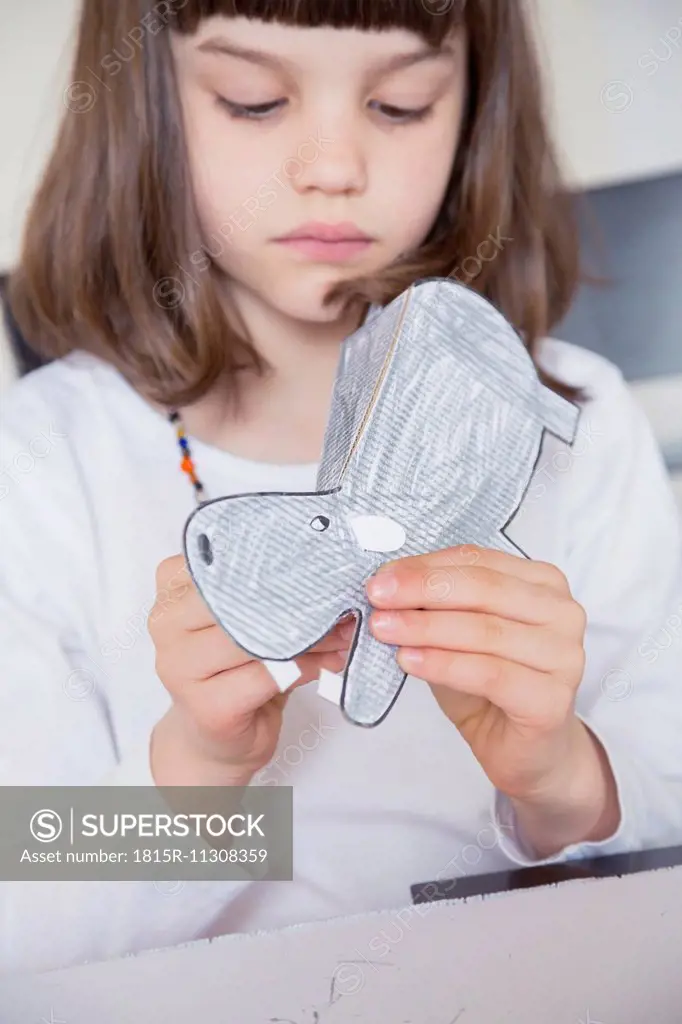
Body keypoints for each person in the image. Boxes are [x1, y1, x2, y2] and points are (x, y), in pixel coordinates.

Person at [2, 0, 682, 977]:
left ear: (474, 106)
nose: (332, 165)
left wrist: (562, 778)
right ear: (142, 101)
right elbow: (17, 924)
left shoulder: (580, 421)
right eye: (254, 100)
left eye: (400, 105)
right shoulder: (45, 462)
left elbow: (659, 798)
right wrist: (195, 776)